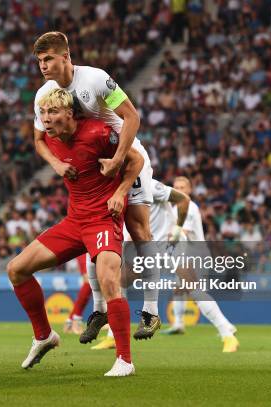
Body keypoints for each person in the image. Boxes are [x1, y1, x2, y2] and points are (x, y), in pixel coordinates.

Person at [31, 31, 160, 340]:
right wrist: (57, 164)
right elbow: (38, 141)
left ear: (65, 56)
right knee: (92, 235)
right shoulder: (44, 96)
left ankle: (152, 312)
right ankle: (100, 309)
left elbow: (131, 117)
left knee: (140, 231)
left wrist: (117, 159)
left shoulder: (95, 80)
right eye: (39, 61)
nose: (44, 66)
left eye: (49, 58)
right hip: (93, 165)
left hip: (125, 157)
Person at [8, 88, 143, 376]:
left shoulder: (99, 133)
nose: (46, 119)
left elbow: (136, 161)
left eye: (53, 112)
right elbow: (39, 142)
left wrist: (120, 191)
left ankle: (125, 361)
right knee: (16, 269)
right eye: (43, 113)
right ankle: (44, 336)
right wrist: (56, 164)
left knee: (109, 279)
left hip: (103, 219)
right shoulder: (51, 137)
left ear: (70, 113)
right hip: (74, 222)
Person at [92, 177, 191, 349]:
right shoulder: (117, 191)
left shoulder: (149, 185)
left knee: (192, 286)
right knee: (119, 281)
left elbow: (183, 199)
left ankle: (225, 331)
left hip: (169, 245)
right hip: (146, 246)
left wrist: (176, 229)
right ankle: (114, 334)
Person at [160, 177, 239, 352]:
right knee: (179, 288)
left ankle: (226, 328)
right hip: (184, 253)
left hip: (196, 255)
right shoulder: (174, 208)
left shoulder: (190, 207)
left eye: (183, 187)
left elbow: (181, 232)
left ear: (190, 190)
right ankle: (179, 324)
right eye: (176, 187)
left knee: (196, 293)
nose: (179, 189)